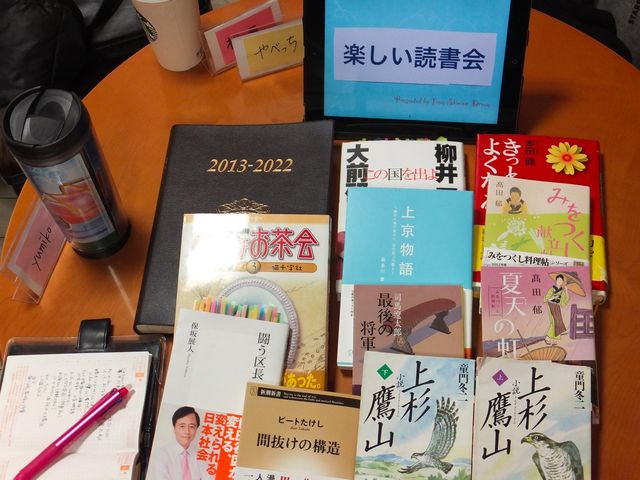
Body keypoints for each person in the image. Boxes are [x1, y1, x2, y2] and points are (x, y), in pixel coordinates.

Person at [148, 406, 209, 480]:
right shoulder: (161, 454)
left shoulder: (201, 456)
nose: (187, 431)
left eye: (191, 427)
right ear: (174, 428)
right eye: (182, 426)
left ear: (196, 429)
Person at [544, 274, 569, 345]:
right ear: (556, 281)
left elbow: (565, 300)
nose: (559, 281)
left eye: (561, 280)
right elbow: (546, 298)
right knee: (554, 321)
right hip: (551, 305)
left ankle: (554, 339)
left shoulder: (562, 291)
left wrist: (566, 290)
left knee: (559, 321)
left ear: (562, 282)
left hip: (557, 306)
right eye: (558, 280)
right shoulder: (552, 289)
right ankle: (547, 337)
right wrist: (553, 297)